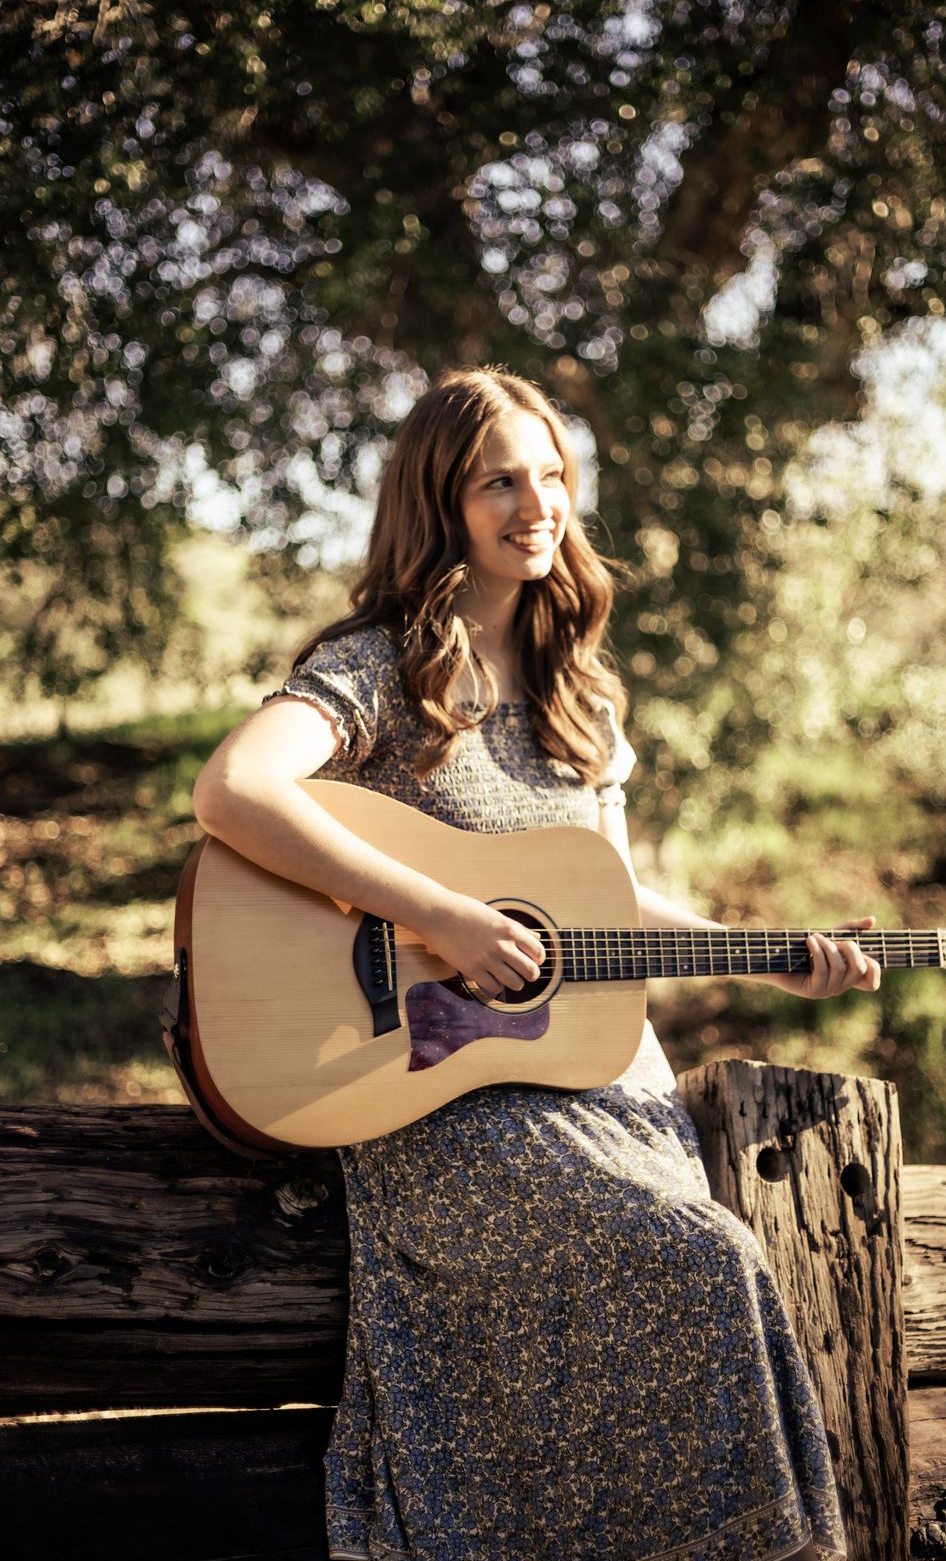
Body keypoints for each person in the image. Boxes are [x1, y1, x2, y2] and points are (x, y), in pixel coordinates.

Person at [192, 364, 880, 1561]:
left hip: (590, 1082)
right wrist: (442, 916)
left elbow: (603, 906)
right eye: (497, 481)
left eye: (550, 474)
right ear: (438, 503)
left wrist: (766, 958)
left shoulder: (579, 693)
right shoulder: (380, 667)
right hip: (425, 1089)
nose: (537, 503)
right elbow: (233, 788)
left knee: (703, 1254)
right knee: (699, 1254)